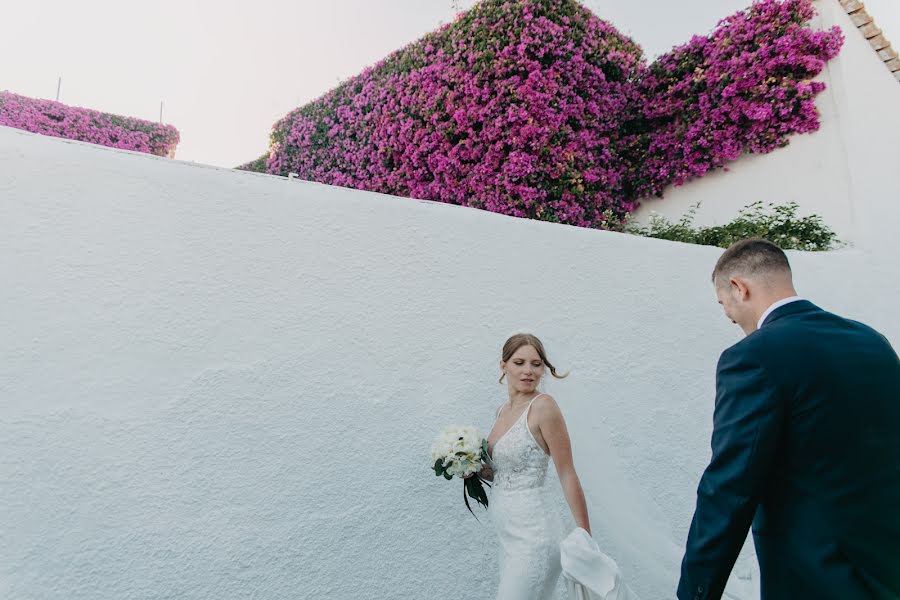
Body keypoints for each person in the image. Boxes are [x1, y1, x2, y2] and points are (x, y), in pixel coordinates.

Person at [678, 239, 900, 599]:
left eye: (723, 304)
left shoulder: (754, 356)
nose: (728, 317)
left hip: (816, 577)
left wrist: (695, 593)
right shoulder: (873, 342)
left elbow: (729, 488)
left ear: (739, 287)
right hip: (886, 570)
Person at [484, 333, 590, 599]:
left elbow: (566, 473)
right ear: (503, 366)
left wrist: (584, 534)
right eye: (519, 363)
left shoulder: (543, 407)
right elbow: (505, 471)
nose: (528, 371)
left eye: (536, 363)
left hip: (535, 537)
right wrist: (467, 469)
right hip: (508, 537)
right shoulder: (501, 411)